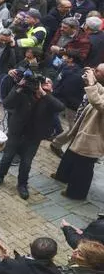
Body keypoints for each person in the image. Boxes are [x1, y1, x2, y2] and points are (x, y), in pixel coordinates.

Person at [0, 74, 64, 199]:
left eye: (48, 82)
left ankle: (22, 184)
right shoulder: (24, 93)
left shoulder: (50, 100)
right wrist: (19, 86)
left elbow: (60, 107)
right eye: (43, 82)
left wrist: (43, 93)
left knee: (26, 163)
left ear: (52, 88)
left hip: (33, 137)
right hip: (16, 132)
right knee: (7, 157)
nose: (45, 84)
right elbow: (7, 103)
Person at [52, 65, 104, 200]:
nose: (94, 71)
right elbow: (100, 91)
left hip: (95, 136)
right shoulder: (100, 86)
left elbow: (98, 103)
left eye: (97, 71)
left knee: (84, 166)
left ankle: (76, 193)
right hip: (83, 129)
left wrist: (92, 83)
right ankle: (62, 176)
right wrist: (91, 81)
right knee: (71, 154)